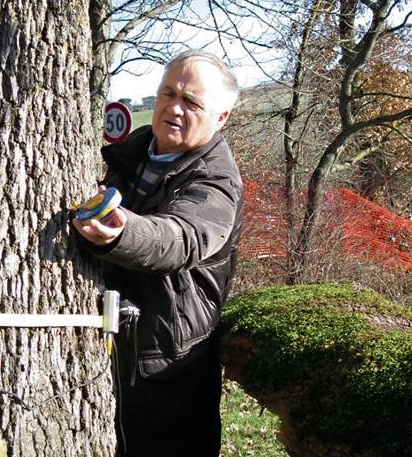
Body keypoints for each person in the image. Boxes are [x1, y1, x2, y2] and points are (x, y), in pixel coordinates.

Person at [73, 50, 243, 457]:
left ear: (220, 118)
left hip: (169, 371)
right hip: (111, 354)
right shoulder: (131, 152)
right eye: (169, 93)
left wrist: (122, 230)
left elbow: (181, 238)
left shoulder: (216, 179)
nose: (175, 108)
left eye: (192, 102)